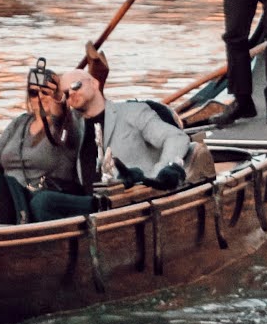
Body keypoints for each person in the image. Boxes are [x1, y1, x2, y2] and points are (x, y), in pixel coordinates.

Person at [26, 62, 208, 220]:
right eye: (66, 92)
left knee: (43, 203)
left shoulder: (132, 112)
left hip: (129, 199)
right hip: (91, 203)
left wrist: (160, 172)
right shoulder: (73, 126)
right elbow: (50, 134)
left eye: (76, 85)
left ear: (95, 83)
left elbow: (175, 137)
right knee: (29, 196)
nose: (72, 93)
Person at [0, 60, 79, 223]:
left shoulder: (66, 126)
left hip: (35, 198)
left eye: (45, 92)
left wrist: (59, 100)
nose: (39, 98)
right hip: (4, 197)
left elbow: (60, 116)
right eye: (33, 93)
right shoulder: (20, 123)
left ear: (56, 96)